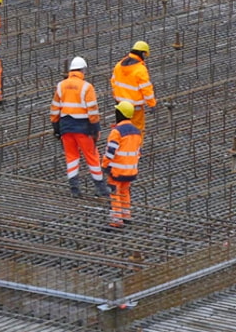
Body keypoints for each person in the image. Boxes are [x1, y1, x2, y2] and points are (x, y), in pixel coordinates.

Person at [50, 56, 111, 198]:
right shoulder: (86, 87)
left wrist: (56, 127)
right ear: (83, 70)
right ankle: (101, 188)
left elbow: (54, 108)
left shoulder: (61, 85)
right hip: (83, 128)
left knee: (71, 157)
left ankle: (74, 188)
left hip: (65, 127)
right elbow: (92, 109)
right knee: (92, 156)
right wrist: (96, 128)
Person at [103, 100, 144, 230]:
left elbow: (111, 151)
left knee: (115, 193)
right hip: (131, 170)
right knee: (125, 191)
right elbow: (138, 151)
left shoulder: (117, 132)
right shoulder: (137, 132)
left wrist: (104, 164)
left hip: (117, 170)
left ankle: (116, 220)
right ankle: (126, 215)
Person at [110, 41, 156, 132]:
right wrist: (152, 104)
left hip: (120, 106)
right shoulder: (140, 69)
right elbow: (146, 89)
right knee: (136, 131)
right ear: (142, 53)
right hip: (135, 109)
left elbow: (113, 82)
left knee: (121, 131)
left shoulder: (118, 65)